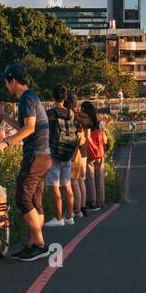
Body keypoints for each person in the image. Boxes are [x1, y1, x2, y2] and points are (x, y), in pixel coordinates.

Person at [0, 63, 52, 261]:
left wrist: (6, 142)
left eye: (6, 82)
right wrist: (3, 116)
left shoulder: (26, 99)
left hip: (35, 156)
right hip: (43, 156)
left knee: (22, 198)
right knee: (35, 201)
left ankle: (40, 244)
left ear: (13, 81)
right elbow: (23, 126)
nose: (6, 86)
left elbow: (29, 128)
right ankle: (33, 244)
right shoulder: (32, 97)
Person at [44, 85, 79, 227]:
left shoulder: (49, 114)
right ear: (65, 97)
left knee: (55, 187)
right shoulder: (71, 113)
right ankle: (69, 216)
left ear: (53, 97)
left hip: (54, 152)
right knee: (67, 185)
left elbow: (44, 132)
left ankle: (58, 218)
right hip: (67, 151)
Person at [81, 100, 106, 210]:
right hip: (100, 153)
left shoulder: (85, 123)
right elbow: (104, 139)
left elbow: (87, 137)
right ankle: (101, 200)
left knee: (90, 178)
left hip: (90, 153)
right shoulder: (98, 123)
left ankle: (92, 201)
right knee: (100, 178)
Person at [67, 93, 89, 220]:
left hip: (73, 153)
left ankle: (77, 209)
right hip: (81, 152)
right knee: (80, 181)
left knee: (73, 182)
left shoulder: (70, 115)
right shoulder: (82, 116)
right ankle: (82, 208)